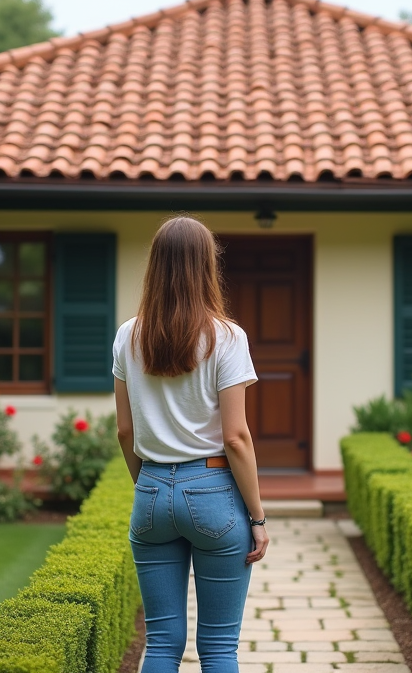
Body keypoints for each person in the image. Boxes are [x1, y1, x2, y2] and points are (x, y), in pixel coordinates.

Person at [113, 215, 269, 673]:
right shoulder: (226, 337)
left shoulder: (129, 335)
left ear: (155, 267)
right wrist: (257, 517)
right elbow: (236, 437)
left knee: (161, 644)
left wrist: (152, 485)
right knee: (219, 648)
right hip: (215, 493)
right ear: (206, 267)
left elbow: (125, 431)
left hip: (152, 490)